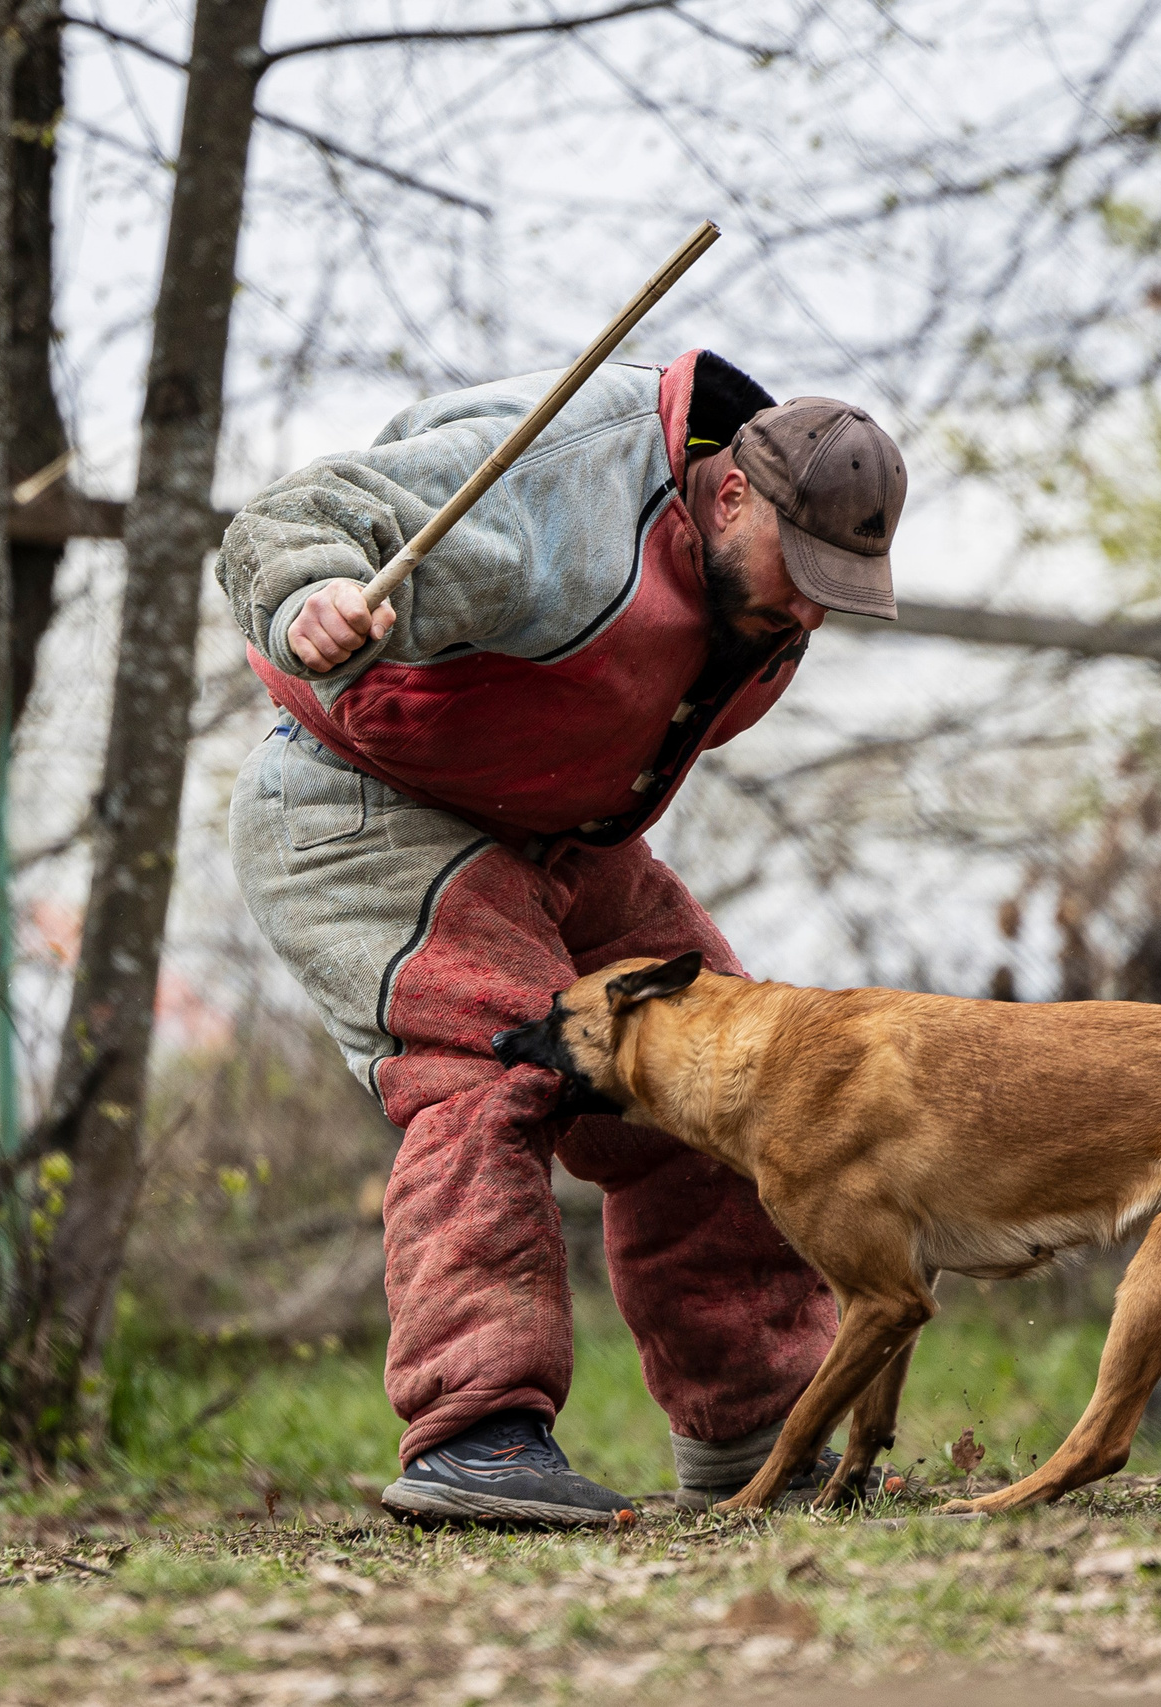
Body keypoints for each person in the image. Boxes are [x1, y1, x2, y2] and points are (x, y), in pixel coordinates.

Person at [218, 348, 908, 1524]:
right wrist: (309, 600)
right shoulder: (565, 476)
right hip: (359, 803)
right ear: (731, 495)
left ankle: (755, 1435)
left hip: (556, 838)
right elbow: (303, 516)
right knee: (502, 1064)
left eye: (835, 588)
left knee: (730, 1073)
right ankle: (475, 1434)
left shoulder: (762, 583)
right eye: (797, 571)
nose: (804, 606)